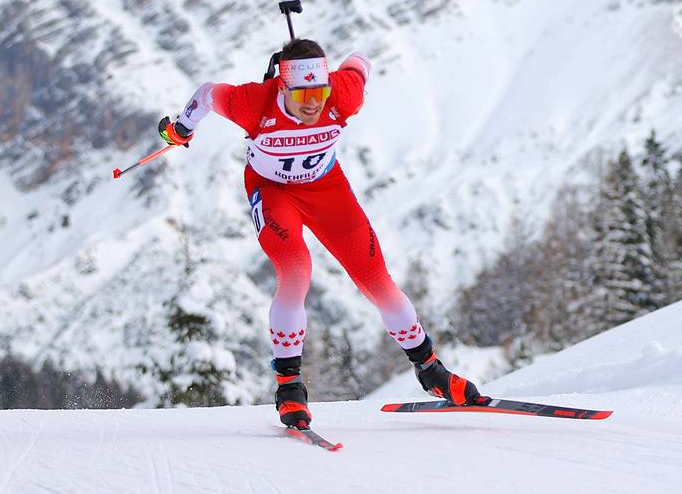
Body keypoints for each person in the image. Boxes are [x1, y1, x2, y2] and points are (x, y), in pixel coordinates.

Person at [158, 38, 484, 428]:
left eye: (319, 91)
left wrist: (342, 75)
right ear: (282, 86)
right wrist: (179, 129)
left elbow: (361, 61)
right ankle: (289, 388)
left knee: (377, 281)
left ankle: (431, 371)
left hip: (327, 190)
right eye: (302, 94)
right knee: (296, 271)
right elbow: (209, 94)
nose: (313, 103)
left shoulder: (342, 95)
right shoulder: (253, 102)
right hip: (274, 192)